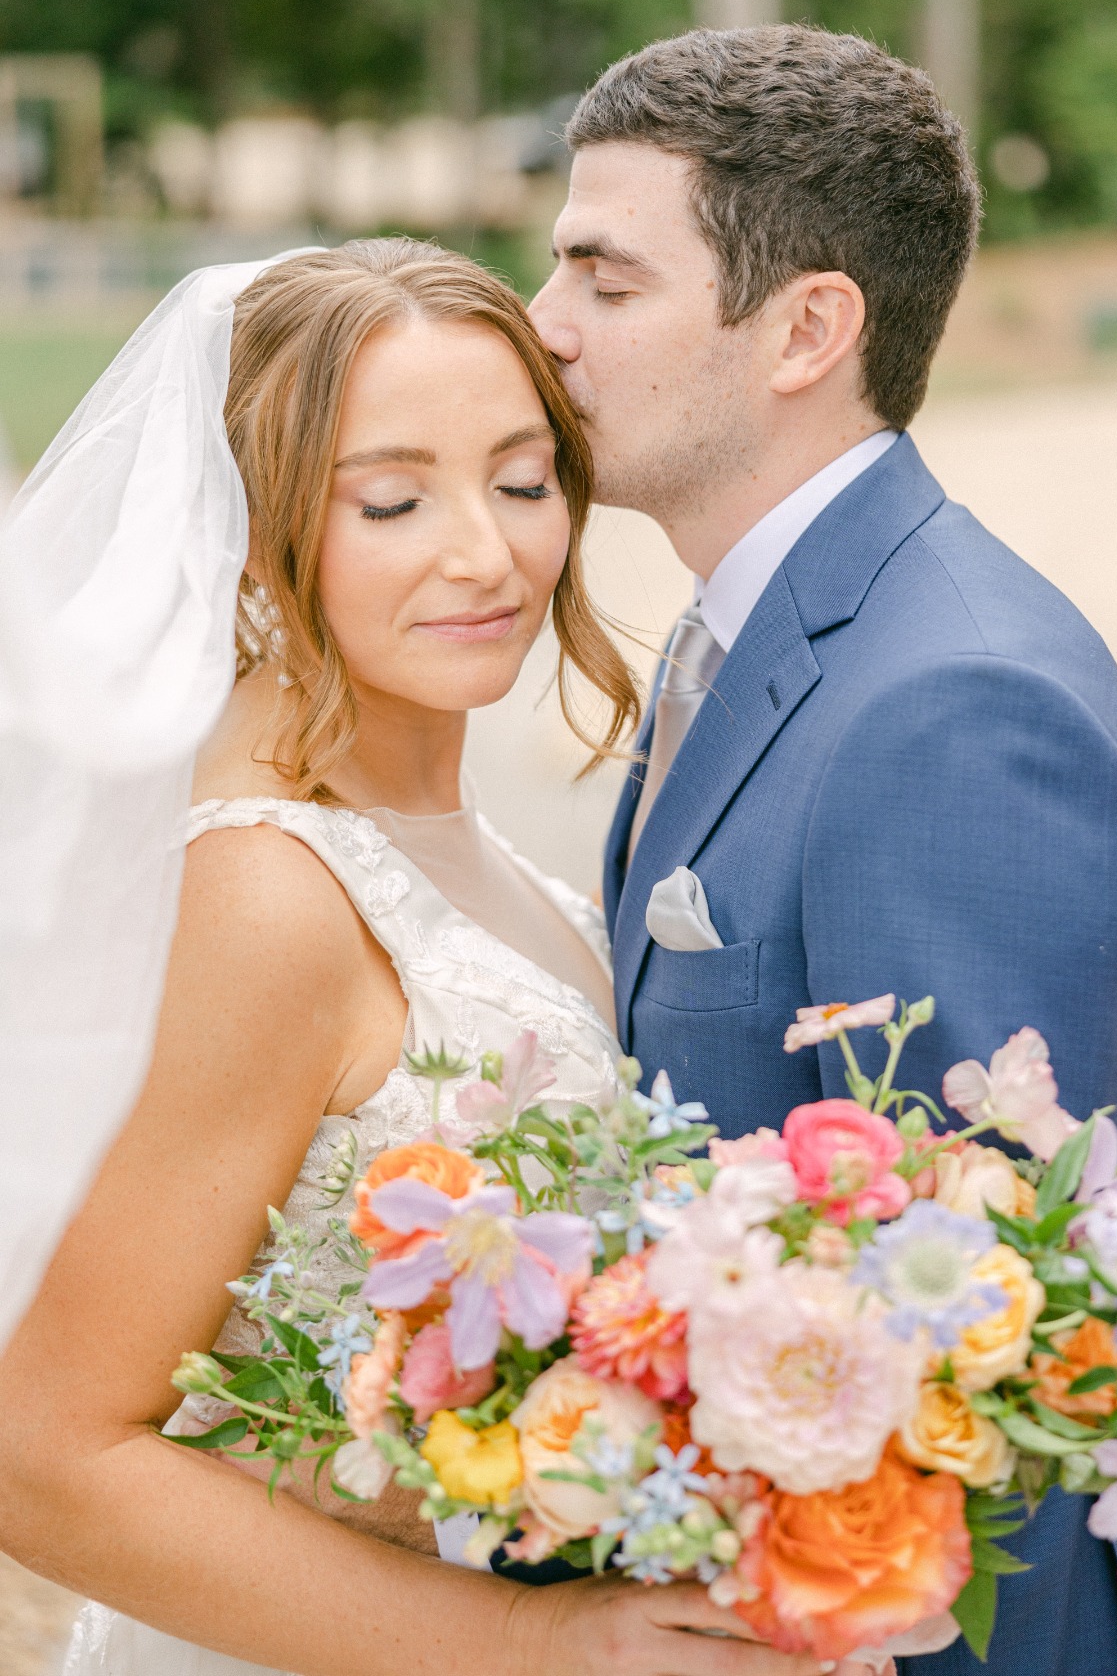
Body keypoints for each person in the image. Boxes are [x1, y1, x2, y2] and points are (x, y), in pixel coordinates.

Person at [0, 241, 833, 1676]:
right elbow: (48, 1458)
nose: (486, 552)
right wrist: (541, 1640)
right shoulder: (263, 892)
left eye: (523, 482)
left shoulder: (490, 861)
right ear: (255, 527)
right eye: (391, 499)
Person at [529, 25, 1117, 1676]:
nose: (542, 330)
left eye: (606, 283)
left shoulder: (957, 707)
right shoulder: (750, 635)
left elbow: (987, 1373)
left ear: (808, 328)